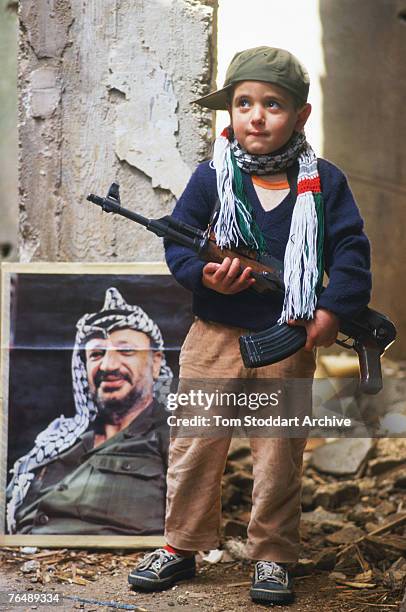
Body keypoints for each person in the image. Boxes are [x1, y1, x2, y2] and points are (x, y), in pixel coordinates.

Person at [128, 47, 371, 605]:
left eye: (273, 104)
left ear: (301, 116)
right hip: (214, 333)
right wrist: (208, 279)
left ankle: (272, 555)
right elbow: (180, 240)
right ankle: (180, 547)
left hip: (288, 334)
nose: (256, 116)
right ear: (229, 113)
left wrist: (334, 309)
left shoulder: (325, 183)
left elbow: (352, 251)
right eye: (243, 103)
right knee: (195, 446)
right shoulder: (213, 176)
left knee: (278, 452)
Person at [7, 287, 173, 536]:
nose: (108, 365)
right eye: (96, 354)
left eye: (126, 350)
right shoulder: (57, 438)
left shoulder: (175, 436)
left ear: (156, 362)